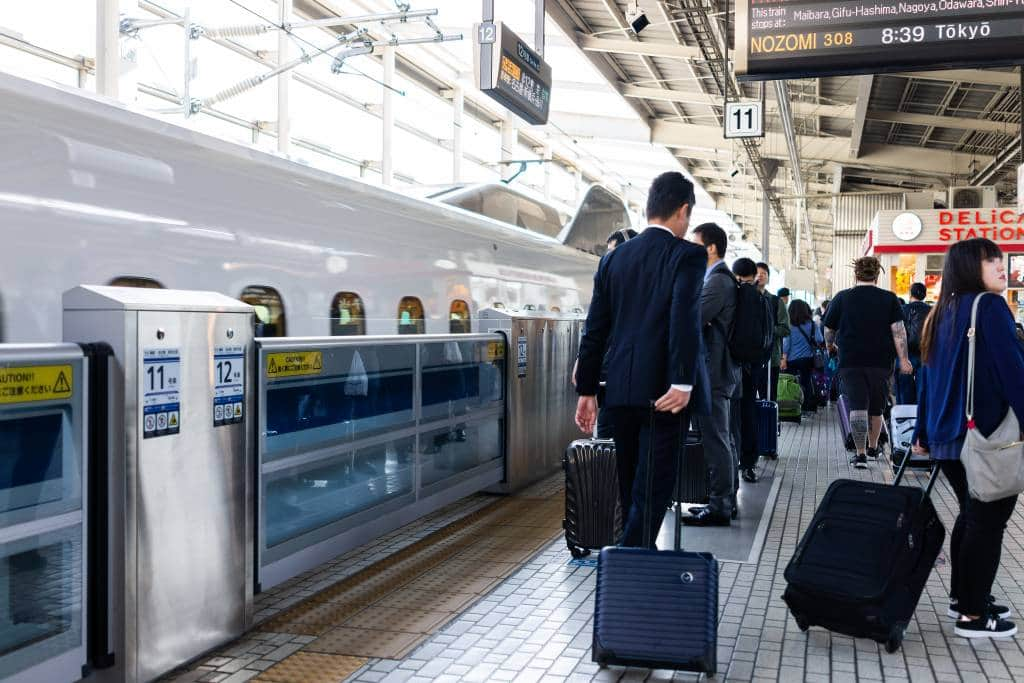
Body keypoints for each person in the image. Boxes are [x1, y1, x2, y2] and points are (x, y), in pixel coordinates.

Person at [574, 171, 709, 548]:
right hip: (664, 396)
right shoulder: (688, 255)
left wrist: (587, 390)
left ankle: (636, 563)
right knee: (653, 492)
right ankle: (628, 565)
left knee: (632, 486)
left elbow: (595, 329)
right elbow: (683, 318)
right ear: (683, 211)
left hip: (619, 393)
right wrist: (683, 382)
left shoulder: (613, 259)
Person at [913, 238, 1023, 638]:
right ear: (967, 268)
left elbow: (927, 379)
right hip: (980, 438)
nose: (999, 265)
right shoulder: (989, 307)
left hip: (946, 437)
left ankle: (965, 598)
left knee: (972, 516)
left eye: (999, 258)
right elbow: (1013, 372)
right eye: (989, 260)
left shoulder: (941, 312)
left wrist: (922, 432)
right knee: (987, 522)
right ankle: (973, 615)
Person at [824, 256, 912, 468]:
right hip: (881, 361)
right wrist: (904, 359)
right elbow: (898, 331)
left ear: (856, 274)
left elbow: (829, 329)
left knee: (857, 406)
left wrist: (830, 347)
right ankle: (873, 447)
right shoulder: (889, 298)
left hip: (851, 360)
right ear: (877, 275)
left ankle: (861, 453)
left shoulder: (842, 298)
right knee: (876, 407)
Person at [685, 222, 740, 526]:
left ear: (710, 248)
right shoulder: (718, 278)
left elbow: (695, 317)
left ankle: (720, 505)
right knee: (723, 437)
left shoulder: (718, 281)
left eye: (696, 244)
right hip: (718, 371)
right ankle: (725, 499)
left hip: (714, 373)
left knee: (716, 439)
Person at [731, 258, 761, 484]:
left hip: (736, 366)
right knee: (748, 414)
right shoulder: (762, 299)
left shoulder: (737, 295)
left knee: (733, 418)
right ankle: (749, 463)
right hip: (754, 367)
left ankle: (738, 462)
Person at [751, 262, 789, 402]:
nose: (760, 276)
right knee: (748, 398)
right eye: (757, 273)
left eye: (764, 273)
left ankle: (770, 423)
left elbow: (785, 329)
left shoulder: (775, 301)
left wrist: (767, 330)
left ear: (768, 278)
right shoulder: (746, 298)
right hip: (748, 358)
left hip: (770, 359)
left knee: (769, 397)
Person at [781, 299, 823, 414]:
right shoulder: (812, 324)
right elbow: (819, 339)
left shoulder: (789, 326)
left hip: (792, 359)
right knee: (806, 381)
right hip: (808, 359)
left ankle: (793, 406)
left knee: (792, 383)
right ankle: (807, 408)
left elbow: (786, 343)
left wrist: (783, 359)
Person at [897, 282, 930, 405]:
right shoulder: (932, 311)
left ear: (910, 294)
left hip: (905, 355)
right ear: (924, 295)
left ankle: (904, 419)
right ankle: (921, 419)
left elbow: (897, 332)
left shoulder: (902, 310)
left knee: (904, 392)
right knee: (923, 391)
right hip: (925, 355)